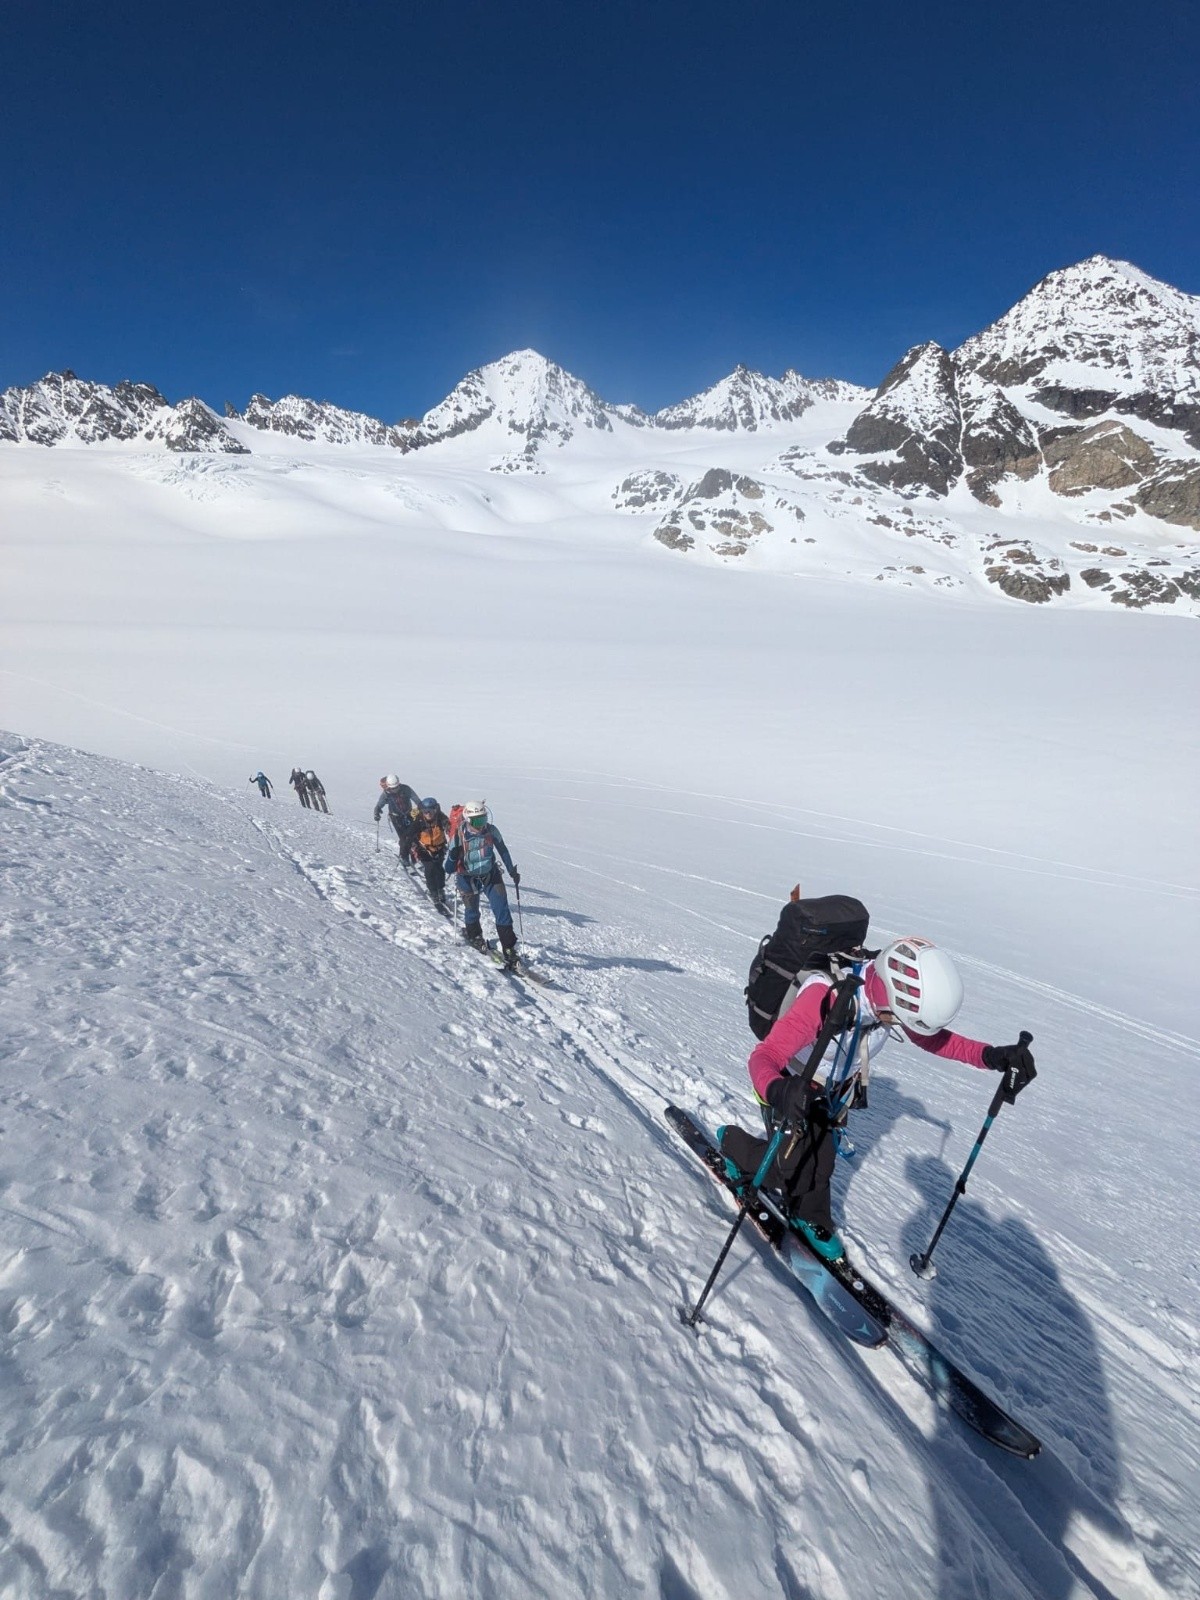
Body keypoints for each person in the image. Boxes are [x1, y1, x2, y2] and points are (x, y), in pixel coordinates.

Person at [718, 930, 1036, 1263]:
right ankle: (732, 1146)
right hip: (787, 1085)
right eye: (899, 1019)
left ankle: (808, 1215)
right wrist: (780, 1089)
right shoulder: (823, 998)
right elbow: (763, 1056)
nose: (902, 1026)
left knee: (820, 1162)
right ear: (891, 1001)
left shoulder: (888, 993)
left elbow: (935, 1040)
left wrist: (992, 1056)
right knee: (786, 1168)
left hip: (830, 1092)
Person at [443, 800, 521, 967]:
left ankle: (509, 947)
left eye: (483, 819)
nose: (481, 825)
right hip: (466, 877)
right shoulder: (458, 836)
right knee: (472, 909)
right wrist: (454, 854)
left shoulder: (491, 831)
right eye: (477, 821)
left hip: (490, 874)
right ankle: (474, 935)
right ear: (468, 820)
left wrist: (511, 870)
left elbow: (503, 850)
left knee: (502, 910)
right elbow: (448, 868)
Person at [411, 797, 450, 909]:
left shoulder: (441, 818)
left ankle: (440, 889)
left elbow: (448, 825)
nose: (427, 814)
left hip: (439, 849)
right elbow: (410, 834)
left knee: (439, 869)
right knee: (429, 870)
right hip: (424, 850)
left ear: (435, 810)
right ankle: (433, 892)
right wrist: (406, 845)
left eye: (430, 811)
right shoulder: (419, 821)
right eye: (425, 811)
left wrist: (449, 828)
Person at [374, 774, 420, 857]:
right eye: (392, 788)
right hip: (396, 818)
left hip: (409, 815)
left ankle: (416, 855)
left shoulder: (406, 789)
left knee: (414, 834)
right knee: (403, 838)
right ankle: (404, 857)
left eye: (396, 787)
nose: (395, 790)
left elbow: (416, 799)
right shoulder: (386, 794)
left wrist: (422, 808)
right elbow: (379, 804)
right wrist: (377, 811)